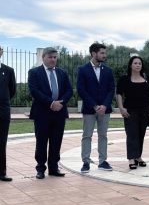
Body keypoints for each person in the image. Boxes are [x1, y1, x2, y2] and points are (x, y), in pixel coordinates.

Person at [28, 47, 72, 179]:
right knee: (41, 141)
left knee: (56, 141)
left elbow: (69, 91)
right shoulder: (34, 72)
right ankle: (40, 168)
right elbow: (34, 91)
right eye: (50, 57)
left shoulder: (62, 73)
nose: (53, 60)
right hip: (42, 113)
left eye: (55, 57)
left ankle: (54, 168)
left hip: (59, 112)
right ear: (43, 58)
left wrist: (61, 102)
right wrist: (51, 103)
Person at [77, 42, 115, 173]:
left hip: (105, 109)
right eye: (102, 53)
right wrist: (94, 105)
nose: (105, 55)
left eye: (105, 53)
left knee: (103, 135)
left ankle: (103, 161)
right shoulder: (82, 69)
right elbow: (81, 90)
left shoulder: (108, 71)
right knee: (87, 135)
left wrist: (104, 105)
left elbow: (111, 90)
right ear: (94, 54)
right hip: (89, 109)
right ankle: (86, 162)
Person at [116, 56, 149, 169]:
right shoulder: (124, 79)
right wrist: (121, 108)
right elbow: (119, 94)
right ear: (130, 65)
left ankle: (138, 157)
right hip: (130, 111)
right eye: (135, 63)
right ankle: (131, 159)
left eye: (139, 63)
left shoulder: (147, 78)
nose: (138, 65)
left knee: (141, 134)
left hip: (145, 110)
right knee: (132, 134)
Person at [0, 45, 16, 182]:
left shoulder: (8, 70)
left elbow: (12, 91)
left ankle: (2, 172)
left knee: (1, 142)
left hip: (3, 112)